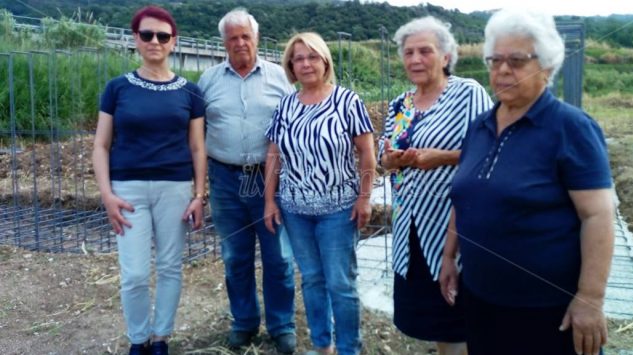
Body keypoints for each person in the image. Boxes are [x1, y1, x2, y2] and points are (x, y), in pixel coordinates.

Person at [440, 8, 615, 355]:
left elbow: (598, 215)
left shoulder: (571, 128)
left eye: (517, 60)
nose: (503, 70)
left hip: (547, 310)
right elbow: (466, 197)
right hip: (481, 300)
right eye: (495, 60)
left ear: (546, 67)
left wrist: (590, 298)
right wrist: (449, 256)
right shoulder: (480, 126)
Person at [92, 5, 206, 355]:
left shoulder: (190, 92)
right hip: (128, 191)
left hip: (174, 188)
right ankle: (138, 339)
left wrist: (199, 194)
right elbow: (101, 144)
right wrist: (107, 195)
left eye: (162, 35)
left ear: (174, 42)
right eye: (146, 35)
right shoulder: (117, 88)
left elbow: (197, 147)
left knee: (171, 266)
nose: (154, 41)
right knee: (135, 274)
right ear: (135, 40)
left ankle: (160, 339)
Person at [378, 16, 492, 355]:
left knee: (458, 320)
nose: (415, 59)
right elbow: (384, 159)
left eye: (425, 51)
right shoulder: (401, 103)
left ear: (445, 56)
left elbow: (489, 151)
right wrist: (391, 161)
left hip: (451, 224)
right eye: (408, 52)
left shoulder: (466, 93)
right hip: (408, 226)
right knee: (435, 319)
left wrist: (439, 157)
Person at [263, 32, 375, 355]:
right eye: (298, 58)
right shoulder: (285, 106)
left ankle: (348, 348)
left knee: (340, 283)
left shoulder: (346, 101)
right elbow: (273, 155)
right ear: (290, 66)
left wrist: (365, 196)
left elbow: (367, 153)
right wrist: (270, 200)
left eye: (312, 56)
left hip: (339, 210)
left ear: (325, 61)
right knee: (311, 279)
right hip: (296, 210)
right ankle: (322, 345)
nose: (306, 63)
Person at [197, 8, 296, 354]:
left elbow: (293, 128)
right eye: (232, 37)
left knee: (279, 258)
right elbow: (198, 134)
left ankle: (281, 325)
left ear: (256, 38)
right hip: (224, 178)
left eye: (245, 36)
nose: (239, 43)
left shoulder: (280, 77)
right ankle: (244, 322)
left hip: (270, 179)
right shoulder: (208, 80)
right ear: (223, 42)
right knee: (235, 256)